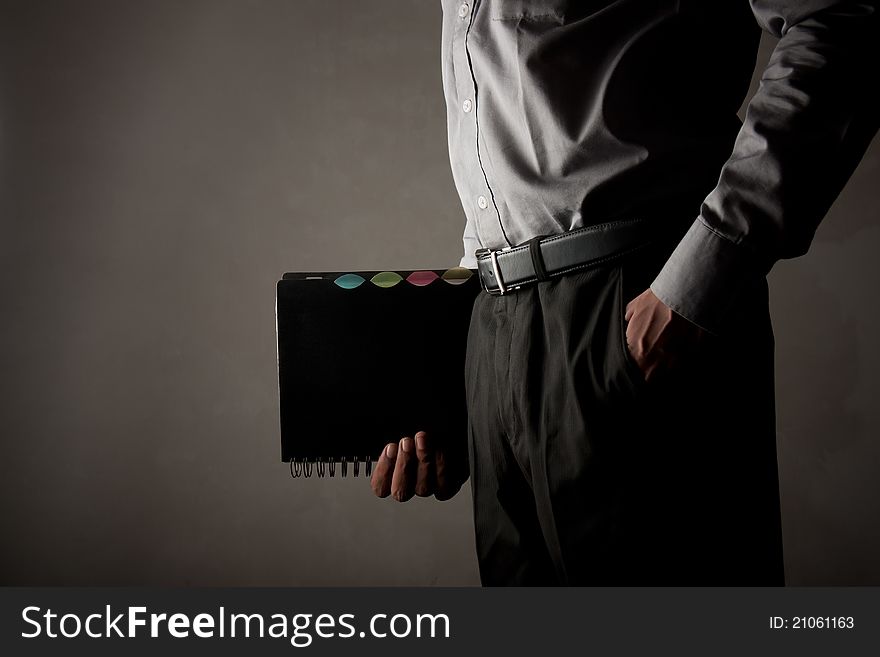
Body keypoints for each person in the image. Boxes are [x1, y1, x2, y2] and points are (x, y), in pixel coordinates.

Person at [370, 0, 879, 585]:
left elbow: (839, 19)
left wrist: (696, 287)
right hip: (494, 330)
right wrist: (455, 378)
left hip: (628, 311)